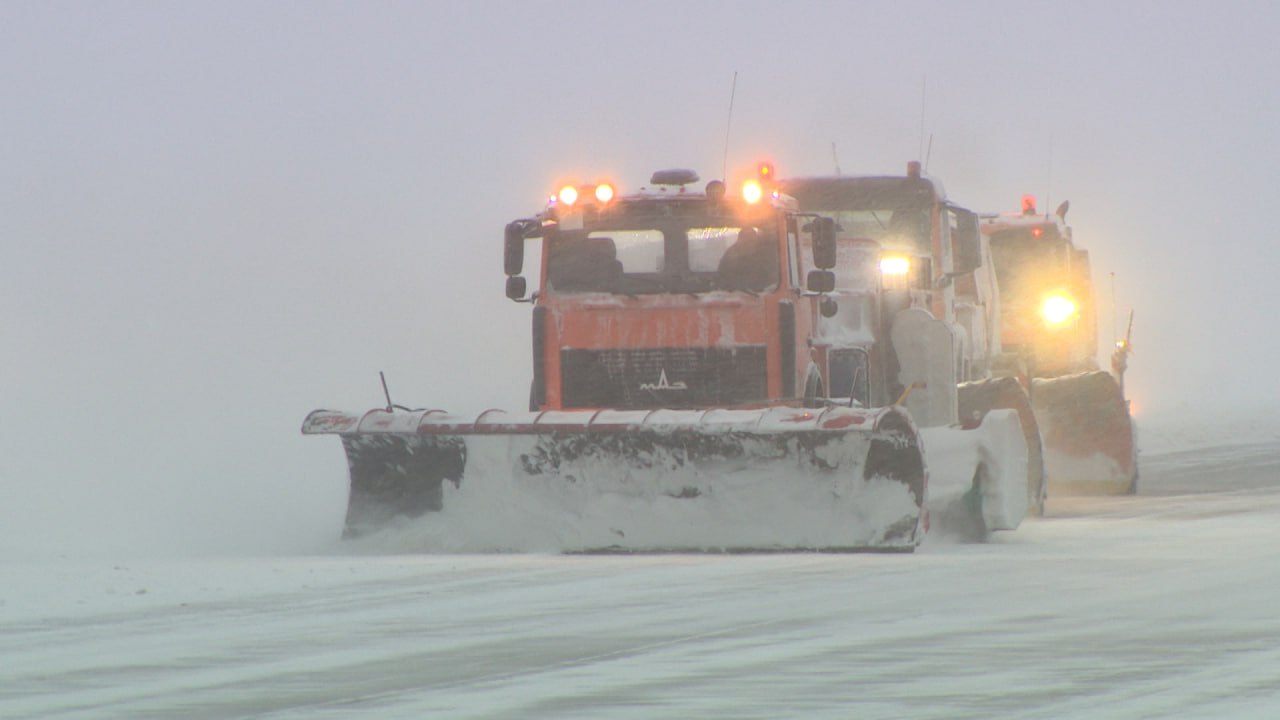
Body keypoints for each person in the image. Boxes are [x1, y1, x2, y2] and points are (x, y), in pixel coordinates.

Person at [717, 227, 778, 292]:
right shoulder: (730, 256)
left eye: (752, 240)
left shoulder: (763, 255)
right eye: (746, 240)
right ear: (740, 240)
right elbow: (724, 279)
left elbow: (773, 280)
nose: (749, 243)